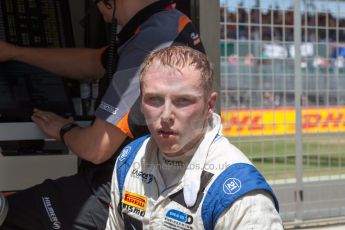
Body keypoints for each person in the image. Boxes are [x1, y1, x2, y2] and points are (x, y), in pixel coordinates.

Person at [0, 0, 204, 229]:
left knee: (10, 215)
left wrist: (64, 130)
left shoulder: (151, 42)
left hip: (135, 191)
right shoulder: (166, 25)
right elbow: (93, 63)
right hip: (151, 184)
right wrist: (14, 52)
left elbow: (96, 147)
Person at [106, 46, 283, 229]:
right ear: (140, 102)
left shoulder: (242, 195)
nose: (166, 115)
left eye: (183, 101)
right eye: (154, 99)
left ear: (209, 105)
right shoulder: (128, 158)